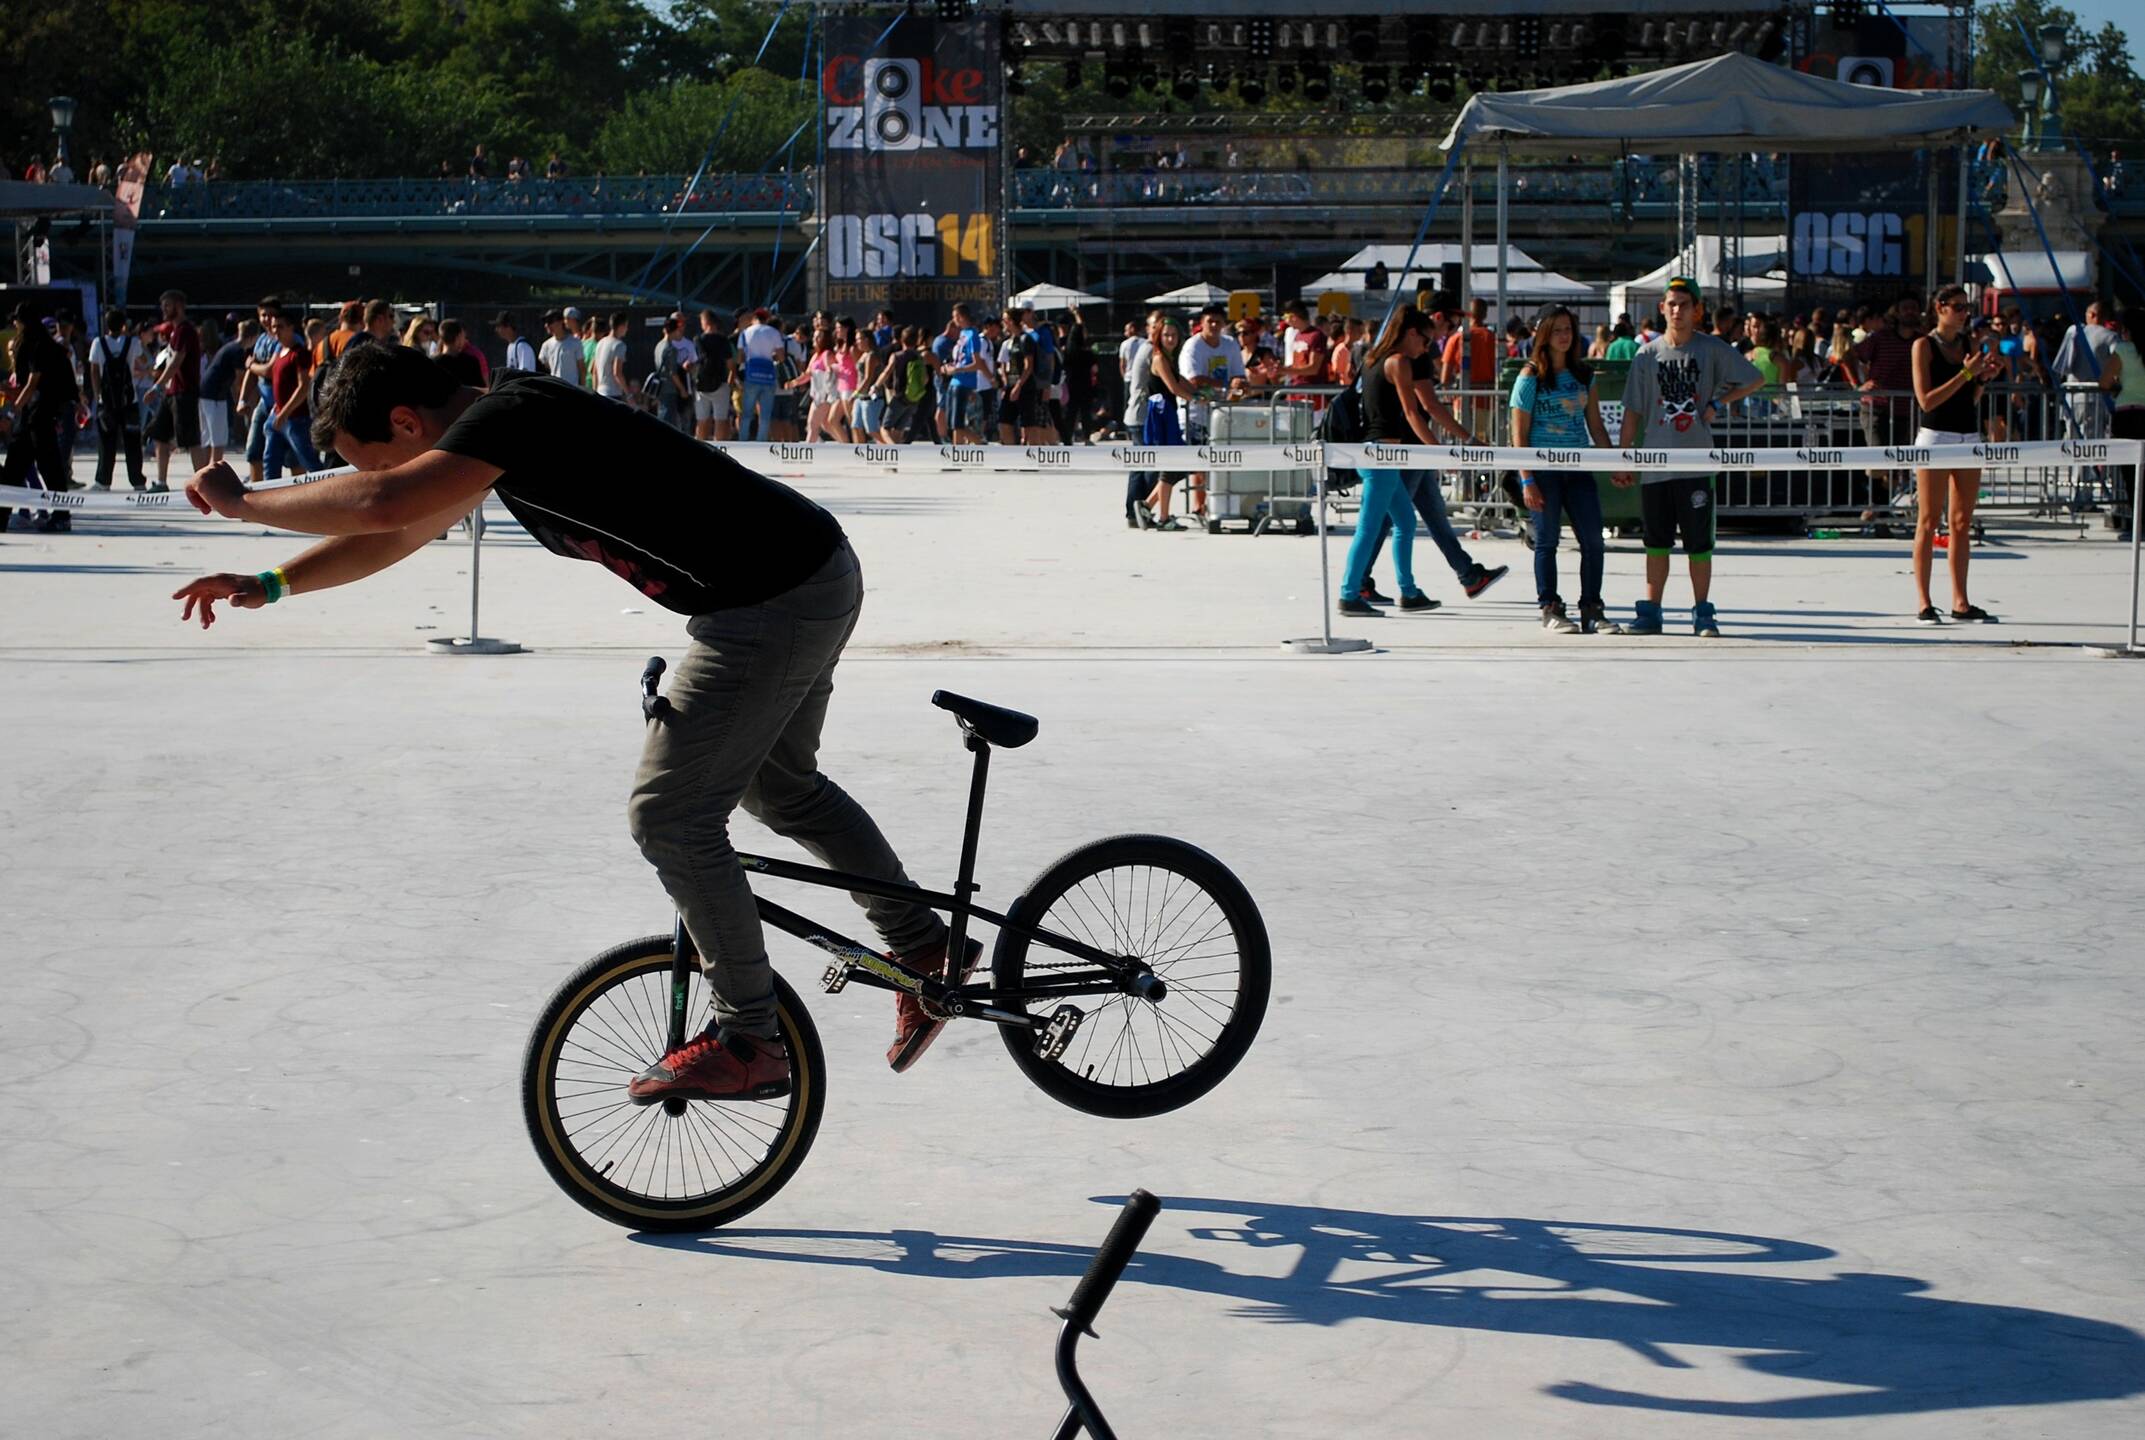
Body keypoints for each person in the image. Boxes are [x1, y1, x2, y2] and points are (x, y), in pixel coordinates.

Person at [170, 344, 972, 1088]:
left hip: (770, 600)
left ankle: (749, 1038)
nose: (374, 477)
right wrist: (272, 582)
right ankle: (925, 947)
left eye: (373, 457)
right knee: (781, 788)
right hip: (801, 574)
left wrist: (244, 503)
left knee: (669, 815)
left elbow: (383, 505)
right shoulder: (497, 435)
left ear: (407, 424)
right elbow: (399, 530)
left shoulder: (512, 416)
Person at [1613, 278, 1765, 637]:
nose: (1677, 310)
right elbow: (1632, 410)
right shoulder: (1646, 355)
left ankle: (1703, 611)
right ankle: (1651, 611)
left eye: (1684, 304)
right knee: (1656, 542)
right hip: (1655, 464)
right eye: (1671, 303)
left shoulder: (1711, 349)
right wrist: (1623, 458)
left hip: (1696, 462)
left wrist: (1718, 403)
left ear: (1697, 310)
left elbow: (1754, 379)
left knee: (1699, 544)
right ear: (1662, 309)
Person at [1511, 305, 1617, 634]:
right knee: (1547, 541)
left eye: (1568, 329)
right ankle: (1550, 606)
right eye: (1556, 329)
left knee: (1593, 541)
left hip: (1579, 469)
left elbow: (1596, 427)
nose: (1563, 336)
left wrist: (1615, 463)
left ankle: (1592, 607)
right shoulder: (1530, 376)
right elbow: (1519, 434)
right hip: (1543, 472)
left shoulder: (1584, 375)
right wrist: (1527, 480)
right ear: (1544, 334)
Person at [1337, 307, 1447, 617]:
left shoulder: (1373, 358)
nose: (1425, 349)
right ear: (1411, 333)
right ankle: (1348, 593)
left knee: (1405, 522)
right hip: (1381, 455)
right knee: (1368, 528)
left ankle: (1409, 592)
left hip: (1375, 452)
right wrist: (1438, 451)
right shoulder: (1399, 362)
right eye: (1425, 341)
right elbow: (1413, 413)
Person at [1909, 284, 2003, 625]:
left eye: (1967, 307)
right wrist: (1965, 374)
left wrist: (1982, 379)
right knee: (1928, 520)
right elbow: (1926, 401)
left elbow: (1969, 398)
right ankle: (1924, 601)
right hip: (1936, 437)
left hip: (1966, 434)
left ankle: (1960, 600)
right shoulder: (1924, 346)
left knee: (1962, 522)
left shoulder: (1969, 344)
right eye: (1958, 307)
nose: (1964, 313)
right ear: (1940, 308)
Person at [1841, 295, 1924, 523]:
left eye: (1914, 308)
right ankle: (1873, 508)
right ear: (1896, 312)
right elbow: (1848, 356)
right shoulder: (1880, 338)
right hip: (1876, 407)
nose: (1910, 312)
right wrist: (1858, 385)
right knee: (1878, 456)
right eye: (1905, 307)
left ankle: (1882, 510)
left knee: (1897, 464)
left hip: (1907, 409)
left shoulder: (1922, 340)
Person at [3, 303, 84, 533]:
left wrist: (13, 410)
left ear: (24, 322)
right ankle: (3, 516)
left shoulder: (38, 346)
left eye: (17, 320)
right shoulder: (44, 345)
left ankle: (61, 516)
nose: (15, 324)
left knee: (48, 467)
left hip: (39, 414)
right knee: (15, 468)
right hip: (35, 414)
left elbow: (33, 382)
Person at [1177, 305, 1248, 523]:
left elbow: (1239, 376)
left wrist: (1237, 384)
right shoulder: (1193, 346)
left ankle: (1215, 504)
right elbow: (1194, 379)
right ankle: (1199, 507)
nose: (1214, 325)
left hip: (1223, 413)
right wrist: (1227, 384)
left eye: (1218, 321)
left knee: (1221, 462)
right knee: (1200, 461)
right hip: (1195, 413)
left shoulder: (1230, 344)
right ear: (1202, 323)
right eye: (1210, 321)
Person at [1136, 316, 1202, 530]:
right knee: (1171, 465)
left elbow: (1180, 380)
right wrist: (1196, 399)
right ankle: (1163, 517)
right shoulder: (1159, 358)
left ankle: (1147, 505)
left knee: (1178, 466)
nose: (1171, 339)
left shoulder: (1168, 357)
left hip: (1167, 412)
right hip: (1161, 414)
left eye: (1174, 335)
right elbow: (1173, 387)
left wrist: (1198, 392)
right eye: (1166, 335)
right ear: (1159, 336)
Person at [147, 289, 207, 490]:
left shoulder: (184, 330)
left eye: (168, 305)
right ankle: (161, 482)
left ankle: (206, 485)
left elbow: (176, 362)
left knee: (191, 441)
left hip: (184, 392)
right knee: (159, 435)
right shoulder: (174, 331)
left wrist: (156, 386)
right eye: (163, 306)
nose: (164, 310)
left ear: (179, 306)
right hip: (171, 392)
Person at [88, 308, 147, 491]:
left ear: (106, 325)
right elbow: (143, 361)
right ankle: (137, 481)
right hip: (130, 401)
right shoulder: (132, 342)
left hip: (106, 402)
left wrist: (97, 395)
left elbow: (94, 370)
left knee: (106, 443)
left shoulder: (98, 343)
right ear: (123, 325)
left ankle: (103, 481)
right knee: (132, 443)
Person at [261, 311, 322, 479]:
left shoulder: (299, 353)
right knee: (270, 461)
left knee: (309, 461)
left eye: (280, 326)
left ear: (290, 328)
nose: (276, 331)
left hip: (297, 419)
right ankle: (270, 493)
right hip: (277, 416)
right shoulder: (280, 352)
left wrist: (285, 413)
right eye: (274, 327)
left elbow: (304, 386)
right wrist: (278, 409)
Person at [2107, 310, 2143, 539]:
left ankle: (2138, 523)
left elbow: (2104, 380)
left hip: (2128, 414)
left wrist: (2116, 385)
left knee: (2131, 473)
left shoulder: (2122, 350)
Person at [198, 319, 250, 465]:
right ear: (253, 337)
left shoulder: (229, 347)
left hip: (205, 392)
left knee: (207, 437)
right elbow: (238, 381)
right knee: (218, 439)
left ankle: (204, 469)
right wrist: (239, 401)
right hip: (216, 395)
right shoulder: (238, 351)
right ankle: (215, 469)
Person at [736, 308, 784, 442]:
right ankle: (761, 441)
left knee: (747, 413)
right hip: (768, 376)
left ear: (754, 318)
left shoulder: (745, 333)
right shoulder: (773, 332)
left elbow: (739, 358)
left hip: (751, 376)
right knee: (765, 415)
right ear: (767, 319)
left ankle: (743, 440)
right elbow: (781, 357)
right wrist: (771, 357)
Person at [693, 310, 735, 441]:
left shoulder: (698, 340)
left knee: (702, 420)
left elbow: (694, 362)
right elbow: (731, 365)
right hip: (720, 383)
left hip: (702, 384)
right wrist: (729, 384)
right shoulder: (724, 340)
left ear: (706, 323)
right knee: (720, 420)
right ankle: (719, 447)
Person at [435, 320, 488, 389]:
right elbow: (482, 390)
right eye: (464, 337)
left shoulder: (434, 362)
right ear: (458, 337)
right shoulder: (470, 362)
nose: (465, 340)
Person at [537, 310, 583, 388]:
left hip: (572, 390)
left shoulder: (575, 342)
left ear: (561, 322)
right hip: (554, 389)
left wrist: (582, 389)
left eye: (550, 322)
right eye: (546, 322)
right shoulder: (546, 345)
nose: (546, 325)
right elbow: (544, 367)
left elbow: (581, 369)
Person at [594, 312, 630, 403]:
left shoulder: (600, 343)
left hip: (600, 392)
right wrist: (629, 395)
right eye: (626, 326)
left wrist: (595, 393)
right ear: (621, 326)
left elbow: (594, 371)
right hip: (613, 395)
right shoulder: (619, 345)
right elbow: (617, 373)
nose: (627, 329)